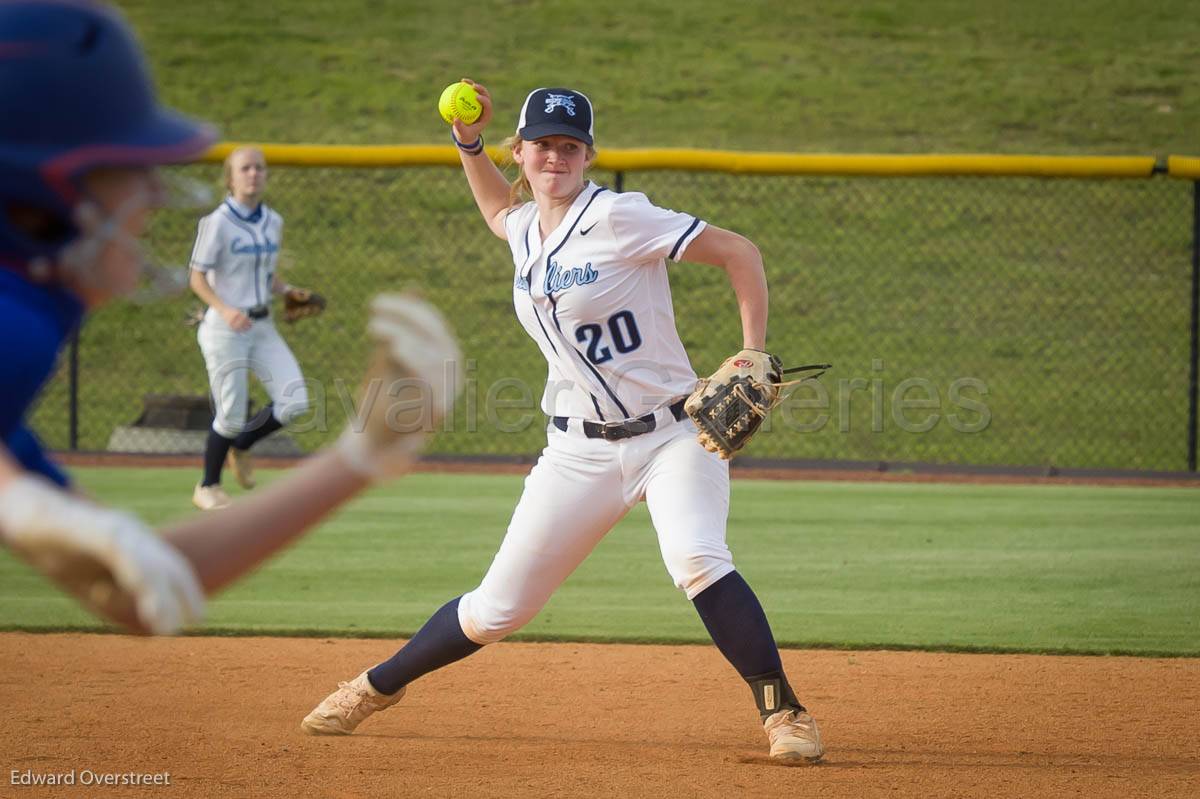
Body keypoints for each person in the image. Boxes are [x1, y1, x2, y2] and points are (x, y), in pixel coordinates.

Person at [301, 81, 824, 762]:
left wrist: (753, 348)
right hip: (577, 451)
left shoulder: (619, 216)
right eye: (543, 144)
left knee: (695, 555)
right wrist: (468, 145)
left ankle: (785, 713)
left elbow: (739, 252)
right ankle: (372, 687)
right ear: (520, 151)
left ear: (588, 156)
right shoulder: (525, 227)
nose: (556, 156)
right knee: (496, 610)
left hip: (674, 435)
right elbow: (496, 210)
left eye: (570, 146)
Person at [0, 0, 461, 636]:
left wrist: (361, 455)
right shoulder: (16, 324)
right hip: (226, 325)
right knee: (227, 411)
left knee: (285, 401)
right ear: (46, 190)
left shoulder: (31, 323)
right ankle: (215, 472)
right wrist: (17, 502)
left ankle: (232, 464)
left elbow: (136, 592)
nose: (154, 192)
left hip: (260, 318)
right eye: (127, 169)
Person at [188, 146, 314, 510]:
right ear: (231, 177)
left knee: (294, 402)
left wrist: (288, 291)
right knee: (229, 413)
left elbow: (265, 274)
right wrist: (225, 310)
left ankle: (241, 447)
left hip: (262, 325)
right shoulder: (217, 223)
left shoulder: (271, 220)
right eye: (245, 168)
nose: (254, 174)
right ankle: (207, 486)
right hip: (226, 329)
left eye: (259, 168)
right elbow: (197, 277)